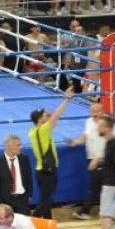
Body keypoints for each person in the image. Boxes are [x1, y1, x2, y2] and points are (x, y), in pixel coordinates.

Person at [28, 87, 74, 219]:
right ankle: (31, 224)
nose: (48, 116)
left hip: (41, 170)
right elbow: (56, 116)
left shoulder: (33, 130)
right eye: (45, 115)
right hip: (48, 171)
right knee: (46, 201)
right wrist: (66, 99)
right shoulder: (43, 130)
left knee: (46, 199)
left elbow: (51, 116)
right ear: (40, 120)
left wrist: (45, 114)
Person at [68, 103, 106, 220]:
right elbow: (86, 135)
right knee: (98, 187)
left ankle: (86, 211)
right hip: (91, 158)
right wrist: (76, 142)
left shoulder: (108, 123)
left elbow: (109, 143)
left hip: (103, 160)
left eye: (96, 112)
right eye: (92, 112)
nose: (94, 114)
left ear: (102, 111)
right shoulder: (88, 121)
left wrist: (97, 159)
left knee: (98, 187)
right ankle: (105, 212)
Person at [0, 134, 32, 216]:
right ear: (9, 146)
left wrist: (29, 195)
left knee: (24, 226)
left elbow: (29, 177)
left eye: (21, 144)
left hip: (22, 199)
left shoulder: (24, 158)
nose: (21, 147)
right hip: (6, 201)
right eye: (18, 145)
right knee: (7, 227)